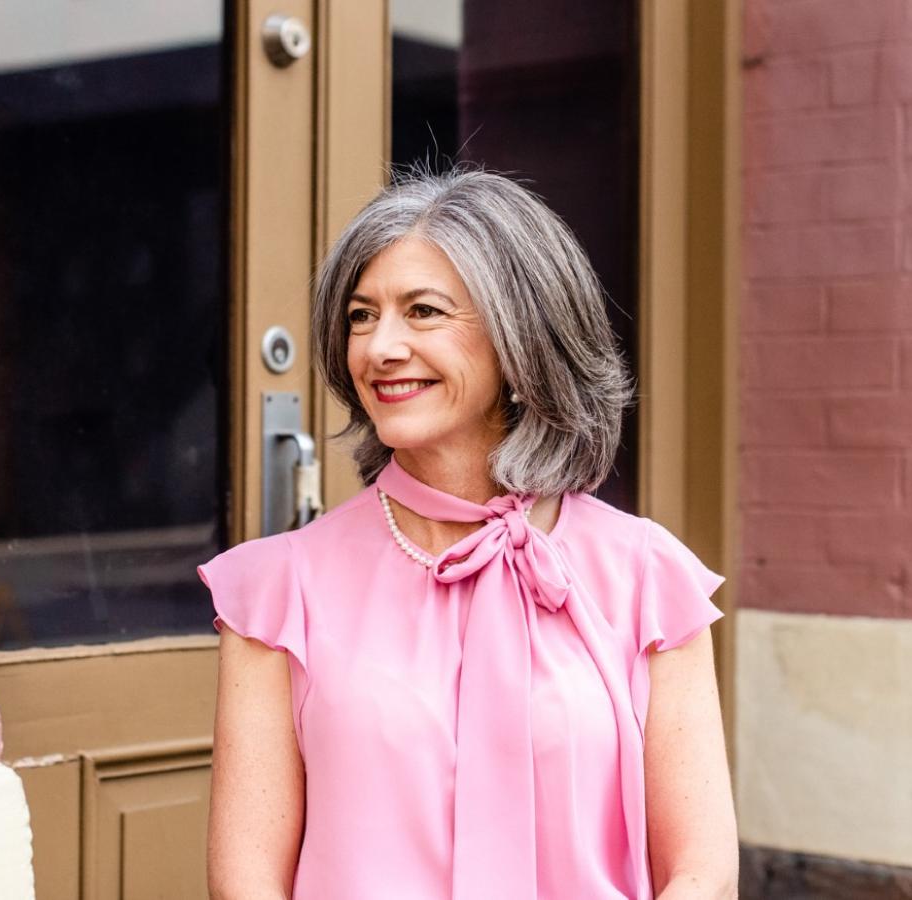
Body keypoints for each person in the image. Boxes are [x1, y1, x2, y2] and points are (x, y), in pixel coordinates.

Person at [199, 167, 738, 899]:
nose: (380, 347)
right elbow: (247, 881)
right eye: (361, 316)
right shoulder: (276, 593)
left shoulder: (647, 578)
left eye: (422, 311)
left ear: (523, 339)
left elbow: (701, 870)